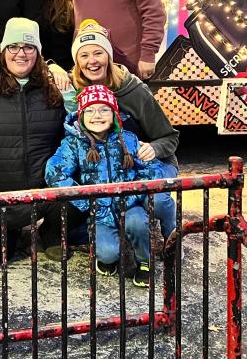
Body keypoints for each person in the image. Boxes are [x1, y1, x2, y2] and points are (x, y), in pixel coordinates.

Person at [58, 19, 178, 239]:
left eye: (98, 53)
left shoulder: (134, 91)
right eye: (84, 55)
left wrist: (154, 148)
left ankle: (171, 232)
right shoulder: (73, 90)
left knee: (158, 200)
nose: (92, 61)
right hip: (109, 165)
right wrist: (50, 65)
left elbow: (169, 137)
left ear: (109, 57)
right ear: (76, 61)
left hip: (151, 161)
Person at [0, 18, 66, 266]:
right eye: (13, 47)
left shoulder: (53, 83)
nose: (21, 54)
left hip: (44, 193)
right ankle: (13, 228)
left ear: (38, 53)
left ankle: (50, 229)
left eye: (28, 47)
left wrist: (58, 70)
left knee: (81, 197)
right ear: (3, 49)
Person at [45, 84, 155, 286]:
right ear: (81, 115)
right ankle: (107, 255)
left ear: (114, 114)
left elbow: (150, 170)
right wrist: (88, 203)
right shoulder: (74, 143)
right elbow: (54, 172)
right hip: (100, 211)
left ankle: (144, 261)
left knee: (138, 222)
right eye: (90, 110)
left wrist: (135, 195)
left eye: (104, 109)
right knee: (107, 253)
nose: (97, 115)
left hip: (130, 205)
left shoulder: (128, 140)